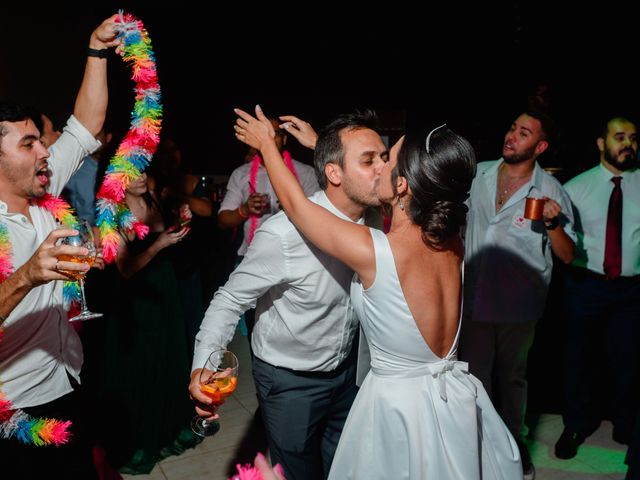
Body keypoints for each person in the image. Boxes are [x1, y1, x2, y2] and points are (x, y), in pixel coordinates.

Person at [233, 105, 523, 479]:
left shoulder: (375, 250)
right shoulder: (452, 242)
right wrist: (325, 148)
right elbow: (370, 183)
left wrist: (268, 146)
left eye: (388, 162)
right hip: (453, 397)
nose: (378, 168)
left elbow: (297, 206)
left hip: (398, 406)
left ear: (402, 185)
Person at [190, 110, 388, 480]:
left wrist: (322, 144)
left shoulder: (376, 220)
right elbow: (229, 300)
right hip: (289, 380)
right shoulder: (282, 235)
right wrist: (203, 363)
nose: (383, 168)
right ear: (335, 173)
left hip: (347, 372)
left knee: (342, 466)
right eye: (369, 160)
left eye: (384, 158)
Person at [0, 14, 119, 479]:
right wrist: (27, 274)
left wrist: (95, 48)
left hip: (68, 374)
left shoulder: (44, 184)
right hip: (16, 411)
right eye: (28, 143)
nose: (44, 150)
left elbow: (87, 123)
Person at [459, 109, 575, 479]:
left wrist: (553, 223)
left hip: (518, 306)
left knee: (512, 379)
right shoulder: (479, 174)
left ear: (539, 146)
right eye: (512, 128)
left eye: (523, 133)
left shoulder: (550, 191)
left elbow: (568, 254)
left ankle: (511, 444)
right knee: (474, 377)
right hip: (473, 297)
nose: (512, 136)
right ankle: (476, 444)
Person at [555, 116, 640, 460]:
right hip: (585, 284)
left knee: (629, 359)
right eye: (620, 137)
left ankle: (627, 424)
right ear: (602, 143)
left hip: (633, 289)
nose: (628, 144)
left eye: (634, 138)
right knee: (578, 358)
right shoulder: (576, 188)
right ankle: (576, 423)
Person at [63, 128, 112, 224]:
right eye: (89, 135)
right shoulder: (76, 167)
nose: (92, 139)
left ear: (108, 137)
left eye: (97, 135)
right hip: (89, 231)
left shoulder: (117, 164)